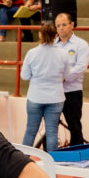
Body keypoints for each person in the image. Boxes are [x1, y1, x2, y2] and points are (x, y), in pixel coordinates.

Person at [21, 22, 68, 150]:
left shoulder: (32, 53)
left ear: (40, 34)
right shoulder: (63, 54)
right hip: (56, 97)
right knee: (52, 132)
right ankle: (52, 163)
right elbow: (66, 75)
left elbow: (24, 76)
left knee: (30, 131)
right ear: (56, 35)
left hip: (36, 96)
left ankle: (22, 161)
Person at [55, 11, 89, 146]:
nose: (61, 28)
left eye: (64, 24)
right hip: (54, 92)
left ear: (72, 25)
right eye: (58, 25)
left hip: (72, 92)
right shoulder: (52, 45)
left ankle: (77, 154)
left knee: (74, 125)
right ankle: (50, 152)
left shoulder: (81, 44)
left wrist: (63, 78)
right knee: (51, 126)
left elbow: (81, 67)